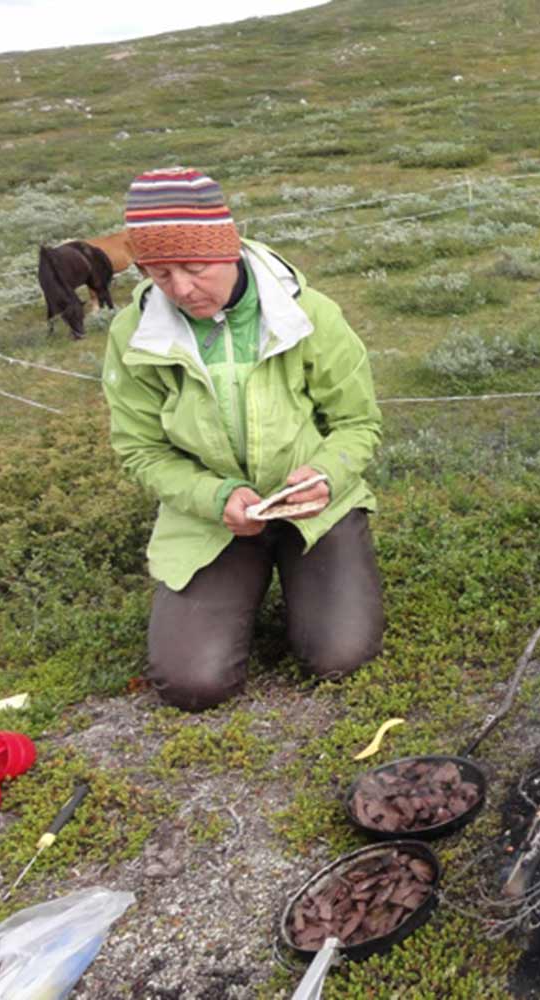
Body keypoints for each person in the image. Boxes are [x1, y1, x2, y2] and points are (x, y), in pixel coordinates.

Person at [102, 167, 384, 711]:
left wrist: (327, 475)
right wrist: (214, 498)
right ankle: (243, 583)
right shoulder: (132, 335)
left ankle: (310, 584)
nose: (181, 288)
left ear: (229, 248)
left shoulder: (309, 314)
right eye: (160, 274)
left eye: (195, 266)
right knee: (191, 684)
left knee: (340, 657)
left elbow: (358, 424)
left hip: (315, 507)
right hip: (211, 520)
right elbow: (140, 450)